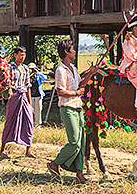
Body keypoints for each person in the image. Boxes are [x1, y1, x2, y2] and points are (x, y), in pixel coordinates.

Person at [47, 39, 87, 184]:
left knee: (81, 141)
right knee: (74, 142)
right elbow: (61, 91)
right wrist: (77, 93)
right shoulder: (60, 70)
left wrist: (91, 73)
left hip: (78, 107)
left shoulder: (74, 69)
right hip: (67, 108)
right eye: (73, 49)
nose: (75, 51)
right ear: (66, 52)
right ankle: (55, 163)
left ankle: (79, 173)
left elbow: (80, 84)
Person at [0, 46, 35, 158]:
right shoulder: (10, 68)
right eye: (20, 55)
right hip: (13, 96)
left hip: (23, 96)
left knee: (29, 121)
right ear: (15, 55)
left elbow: (28, 86)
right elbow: (4, 83)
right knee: (10, 121)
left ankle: (28, 150)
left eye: (24, 55)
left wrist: (30, 103)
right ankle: (2, 149)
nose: (22, 57)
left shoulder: (25, 69)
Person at [29, 62, 47, 127]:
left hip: (38, 95)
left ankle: (38, 123)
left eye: (33, 69)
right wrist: (29, 74)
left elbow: (45, 78)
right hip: (30, 95)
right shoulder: (28, 76)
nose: (32, 70)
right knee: (31, 110)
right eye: (30, 69)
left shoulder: (38, 76)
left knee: (38, 110)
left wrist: (38, 73)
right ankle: (31, 122)